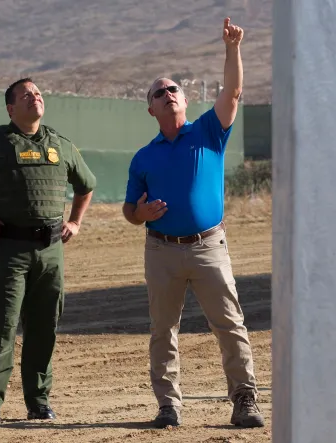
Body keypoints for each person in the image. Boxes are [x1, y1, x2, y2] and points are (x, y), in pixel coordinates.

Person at [122, 18, 264, 428]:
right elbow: (129, 211)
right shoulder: (143, 158)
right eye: (158, 93)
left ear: (184, 101)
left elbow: (233, 91)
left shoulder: (208, 132)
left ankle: (245, 400)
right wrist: (140, 215)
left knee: (229, 325)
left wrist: (232, 48)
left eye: (173, 90)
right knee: (163, 331)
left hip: (207, 247)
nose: (167, 95)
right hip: (161, 249)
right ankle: (168, 406)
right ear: (150, 108)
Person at [0, 78, 96, 422]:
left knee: (45, 326)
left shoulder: (59, 143)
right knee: (2, 324)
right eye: (26, 94)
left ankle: (38, 400)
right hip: (8, 247)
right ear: (11, 108)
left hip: (51, 249)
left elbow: (86, 185)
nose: (35, 97)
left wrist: (75, 221)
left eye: (38, 93)